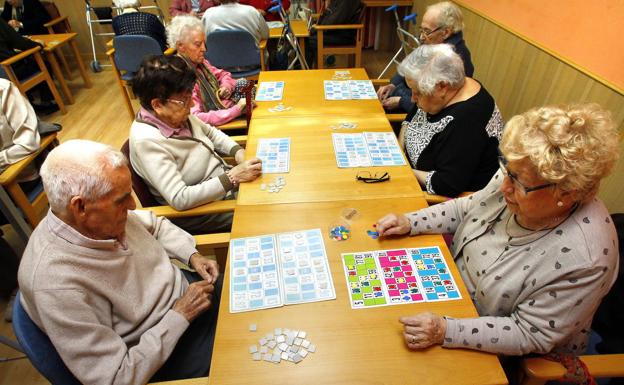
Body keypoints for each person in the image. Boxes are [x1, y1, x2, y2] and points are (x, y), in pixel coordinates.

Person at [375, 103, 620, 358]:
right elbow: (464, 209)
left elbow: (527, 332)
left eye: (517, 182)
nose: (504, 187)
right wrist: (411, 221)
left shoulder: (586, 258)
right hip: (447, 289)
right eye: (507, 172)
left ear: (567, 193)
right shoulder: (518, 173)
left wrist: (444, 329)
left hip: (496, 348)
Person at [18, 139, 222, 384]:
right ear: (80, 206)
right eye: (122, 199)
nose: (132, 205)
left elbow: (155, 224)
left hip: (189, 297)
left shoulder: (100, 218)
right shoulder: (55, 283)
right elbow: (114, 377)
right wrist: (179, 315)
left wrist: (192, 255)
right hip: (165, 351)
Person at [129, 55, 262, 234]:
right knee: (266, 212)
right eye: (184, 100)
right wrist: (232, 177)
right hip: (202, 211)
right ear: (158, 104)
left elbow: (210, 132)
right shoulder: (146, 141)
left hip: (224, 186)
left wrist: (237, 151)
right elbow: (180, 198)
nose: (191, 104)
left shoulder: (173, 114)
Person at [397, 44, 502, 197]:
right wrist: (399, 152)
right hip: (408, 172)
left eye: (417, 93)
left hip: (441, 201)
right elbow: (411, 118)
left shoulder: (466, 121)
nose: (413, 99)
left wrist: (403, 171)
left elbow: (447, 185)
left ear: (442, 87)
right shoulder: (444, 88)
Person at [377, 1, 474, 113]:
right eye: (421, 30)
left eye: (427, 31)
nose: (422, 37)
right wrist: (393, 84)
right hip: (404, 95)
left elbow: (438, 108)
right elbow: (410, 67)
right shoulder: (433, 42)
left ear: (445, 32)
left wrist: (401, 101)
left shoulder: (456, 60)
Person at [167, 15, 252, 126]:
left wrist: (226, 86)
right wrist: (236, 110)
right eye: (198, 44)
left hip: (224, 108)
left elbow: (224, 74)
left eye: (204, 43)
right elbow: (196, 118)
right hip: (215, 125)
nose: (204, 49)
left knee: (246, 87)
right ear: (180, 46)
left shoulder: (200, 63)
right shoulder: (181, 77)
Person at [0, 18, 57, 114]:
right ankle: (46, 102)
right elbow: (19, 42)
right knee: (44, 65)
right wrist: (39, 45)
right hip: (9, 71)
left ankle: (29, 103)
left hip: (2, 77)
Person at [306, 0, 363, 68]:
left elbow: (335, 20)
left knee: (308, 40)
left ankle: (303, 71)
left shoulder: (346, 2)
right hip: (336, 31)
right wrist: (317, 26)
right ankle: (307, 68)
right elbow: (329, 14)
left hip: (342, 35)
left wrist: (317, 28)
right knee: (308, 37)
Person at [201, 0, 269, 46]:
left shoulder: (208, 14)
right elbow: (265, 35)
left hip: (217, 64)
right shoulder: (252, 12)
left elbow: (204, 38)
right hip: (252, 63)